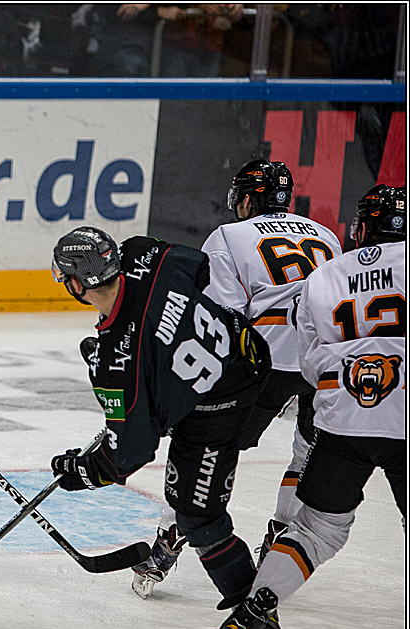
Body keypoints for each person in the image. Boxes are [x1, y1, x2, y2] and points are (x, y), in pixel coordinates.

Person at [206, 185, 406, 629]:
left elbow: (312, 363)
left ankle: (248, 617)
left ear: (359, 228)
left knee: (317, 529)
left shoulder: (326, 276)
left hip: (346, 420)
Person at [131, 160, 342, 600]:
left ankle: (170, 541)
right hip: (325, 362)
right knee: (307, 454)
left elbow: (221, 322)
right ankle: (281, 544)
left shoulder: (229, 236)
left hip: (262, 365)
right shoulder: (326, 234)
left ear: (247, 199)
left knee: (204, 445)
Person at [49, 226, 271, 616]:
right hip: (249, 348)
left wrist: (82, 471)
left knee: (198, 515)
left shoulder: (115, 367)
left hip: (222, 400)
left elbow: (127, 456)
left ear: (76, 283)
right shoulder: (142, 253)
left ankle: (257, 623)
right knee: (186, 493)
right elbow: (200, 270)